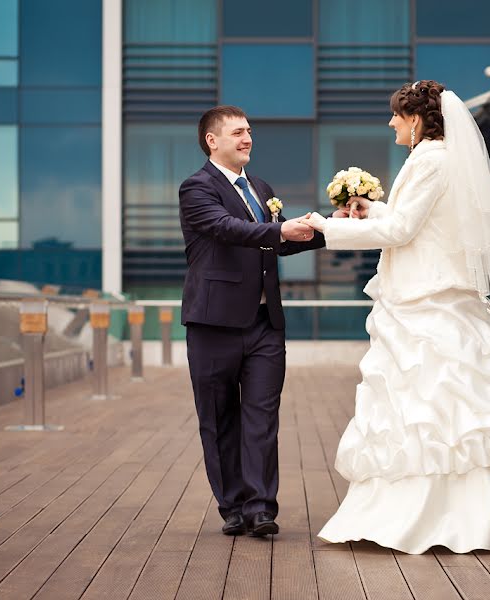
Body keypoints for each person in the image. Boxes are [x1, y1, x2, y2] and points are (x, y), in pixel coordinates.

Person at [304, 81, 490, 554]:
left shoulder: (430, 159)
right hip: (435, 293)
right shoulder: (441, 159)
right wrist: (373, 209)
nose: (391, 123)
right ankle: (469, 513)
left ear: (418, 119)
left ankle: (431, 517)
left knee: (427, 407)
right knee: (453, 407)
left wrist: (331, 227)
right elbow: (420, 220)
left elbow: (403, 230)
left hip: (426, 297)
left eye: (397, 115)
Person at [179, 105, 327, 537]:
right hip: (213, 324)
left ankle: (262, 508)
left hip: (265, 324)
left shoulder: (260, 188)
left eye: (250, 132)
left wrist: (329, 228)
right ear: (213, 140)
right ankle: (233, 506)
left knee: (262, 417)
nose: (248, 139)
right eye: (238, 132)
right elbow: (226, 228)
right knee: (220, 418)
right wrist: (279, 231)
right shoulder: (196, 188)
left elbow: (276, 244)